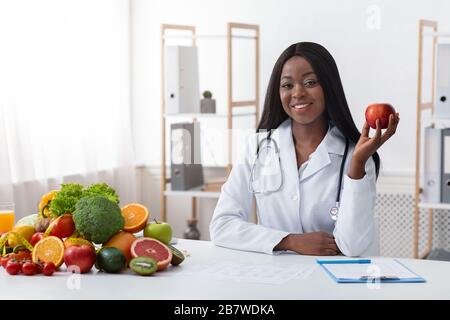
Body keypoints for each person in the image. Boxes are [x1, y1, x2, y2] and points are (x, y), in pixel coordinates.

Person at [209, 42, 400, 257]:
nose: (298, 93)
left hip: (333, 283)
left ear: (328, 87)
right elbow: (222, 226)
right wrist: (289, 241)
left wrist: (357, 165)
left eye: (310, 82)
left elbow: (352, 246)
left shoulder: (356, 155)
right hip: (276, 279)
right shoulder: (257, 147)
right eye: (287, 85)